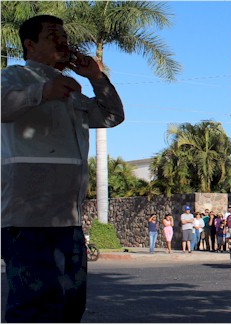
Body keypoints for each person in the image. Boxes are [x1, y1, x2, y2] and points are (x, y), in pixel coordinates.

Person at [0, 14, 125, 322]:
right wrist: (41, 92)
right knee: (31, 307)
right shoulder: (14, 76)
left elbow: (112, 116)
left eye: (64, 36)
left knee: (69, 307)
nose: (63, 41)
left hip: (67, 221)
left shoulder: (74, 92)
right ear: (29, 45)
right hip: (26, 220)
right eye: (52, 35)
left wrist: (96, 77)